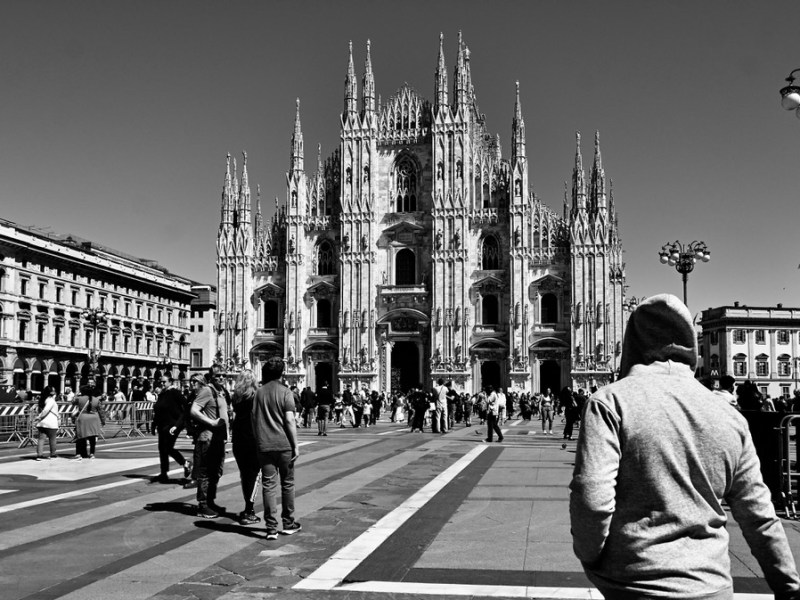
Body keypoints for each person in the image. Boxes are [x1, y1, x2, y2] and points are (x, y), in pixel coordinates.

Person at [569, 294, 800, 599]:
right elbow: (759, 515)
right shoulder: (729, 415)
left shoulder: (611, 402)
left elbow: (592, 499)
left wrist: (590, 556)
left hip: (634, 585)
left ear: (632, 342)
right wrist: (789, 586)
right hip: (712, 587)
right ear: (690, 344)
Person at [252, 357, 301, 540]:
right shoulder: (285, 392)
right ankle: (288, 523)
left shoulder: (258, 393)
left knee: (268, 485)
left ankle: (271, 528)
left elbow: (254, 419)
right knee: (287, 484)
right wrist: (295, 445)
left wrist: (259, 440)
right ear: (282, 373)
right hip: (284, 446)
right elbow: (289, 420)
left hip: (265, 445)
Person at [189, 373, 228, 519]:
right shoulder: (207, 390)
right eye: (217, 375)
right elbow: (194, 410)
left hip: (217, 438)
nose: (221, 377)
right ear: (211, 377)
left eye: (223, 374)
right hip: (207, 437)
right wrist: (211, 423)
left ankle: (209, 501)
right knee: (206, 472)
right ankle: (203, 505)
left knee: (216, 471)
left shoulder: (220, 392)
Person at [230, 369, 261, 525]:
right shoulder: (256, 396)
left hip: (238, 439)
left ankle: (247, 508)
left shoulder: (236, 397)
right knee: (255, 474)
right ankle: (249, 510)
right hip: (252, 439)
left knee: (244, 474)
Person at [150, 376, 190, 483]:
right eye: (161, 382)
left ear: (170, 382)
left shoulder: (175, 393)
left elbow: (186, 407)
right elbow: (158, 410)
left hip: (172, 425)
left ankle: (185, 463)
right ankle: (164, 473)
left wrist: (178, 424)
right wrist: (154, 424)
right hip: (162, 426)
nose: (162, 384)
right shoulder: (162, 394)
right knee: (162, 449)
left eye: (164, 382)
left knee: (168, 448)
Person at [72, 385, 104, 460]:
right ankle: (92, 453)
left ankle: (79, 453)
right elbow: (101, 411)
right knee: (92, 438)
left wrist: (76, 394)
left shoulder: (79, 399)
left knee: (80, 437)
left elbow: (72, 402)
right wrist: (103, 421)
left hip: (83, 419)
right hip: (94, 419)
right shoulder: (96, 400)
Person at [34, 386, 59, 460]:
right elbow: (46, 410)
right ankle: (53, 454)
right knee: (52, 438)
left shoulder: (42, 400)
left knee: (41, 439)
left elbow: (40, 410)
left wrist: (39, 417)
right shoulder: (51, 400)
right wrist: (40, 416)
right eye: (53, 391)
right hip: (51, 422)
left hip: (42, 423)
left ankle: (39, 455)